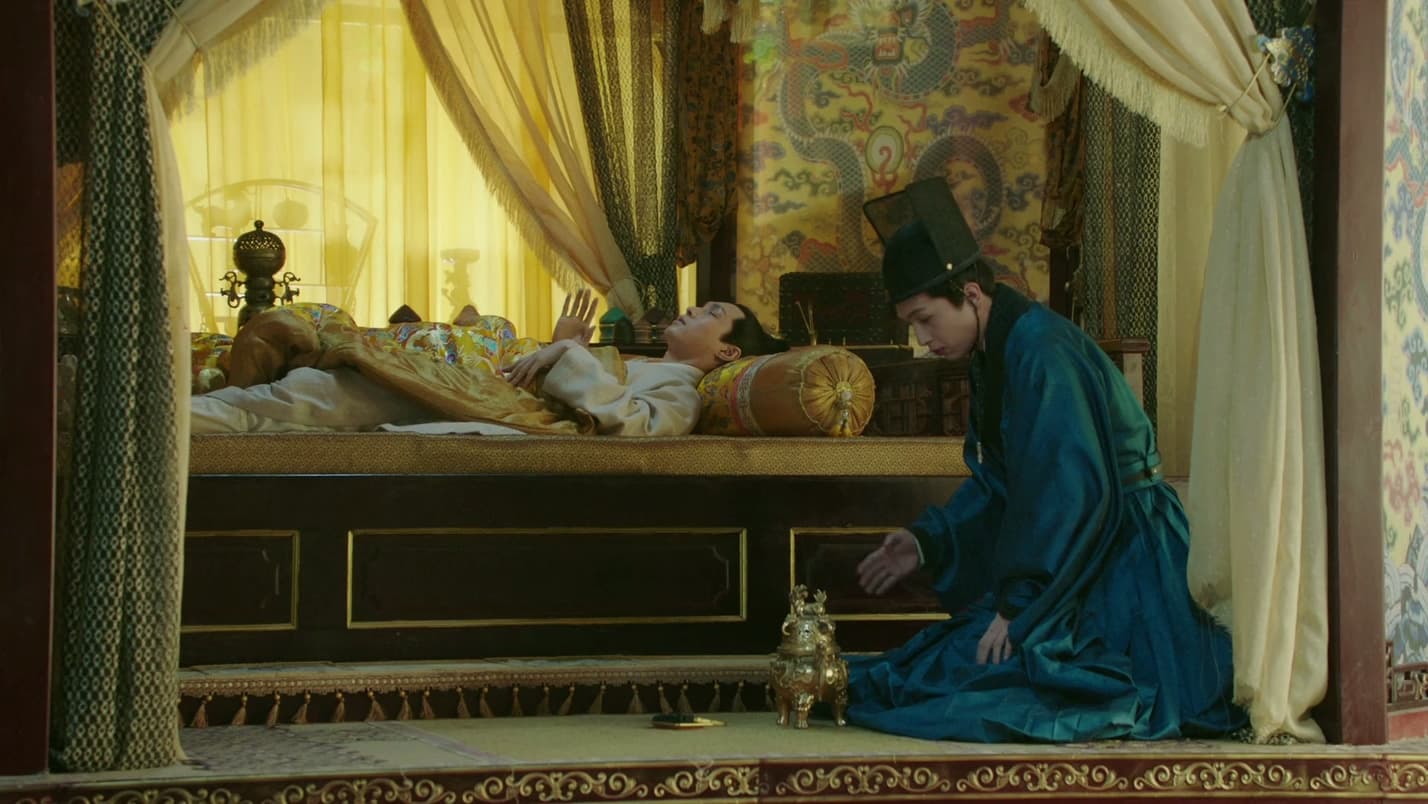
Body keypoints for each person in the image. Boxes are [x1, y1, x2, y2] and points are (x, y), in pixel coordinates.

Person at [846, 178, 1244, 742]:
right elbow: (1004, 482)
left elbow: (1066, 492)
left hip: (1124, 552)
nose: (920, 338)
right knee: (936, 672)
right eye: (912, 324)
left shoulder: (1042, 352)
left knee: (999, 684)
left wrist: (1021, 607)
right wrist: (928, 540)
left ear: (971, 294)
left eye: (925, 318)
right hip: (1075, 542)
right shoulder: (998, 348)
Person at [190, 289, 787, 436]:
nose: (693, 308)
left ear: (728, 351)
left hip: (491, 403)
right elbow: (575, 376)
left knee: (311, 397)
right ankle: (192, 410)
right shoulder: (641, 360)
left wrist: (569, 353)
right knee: (309, 387)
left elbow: (635, 427)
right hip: (483, 384)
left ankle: (169, 426)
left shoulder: (682, 389)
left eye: (712, 312)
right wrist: (564, 344)